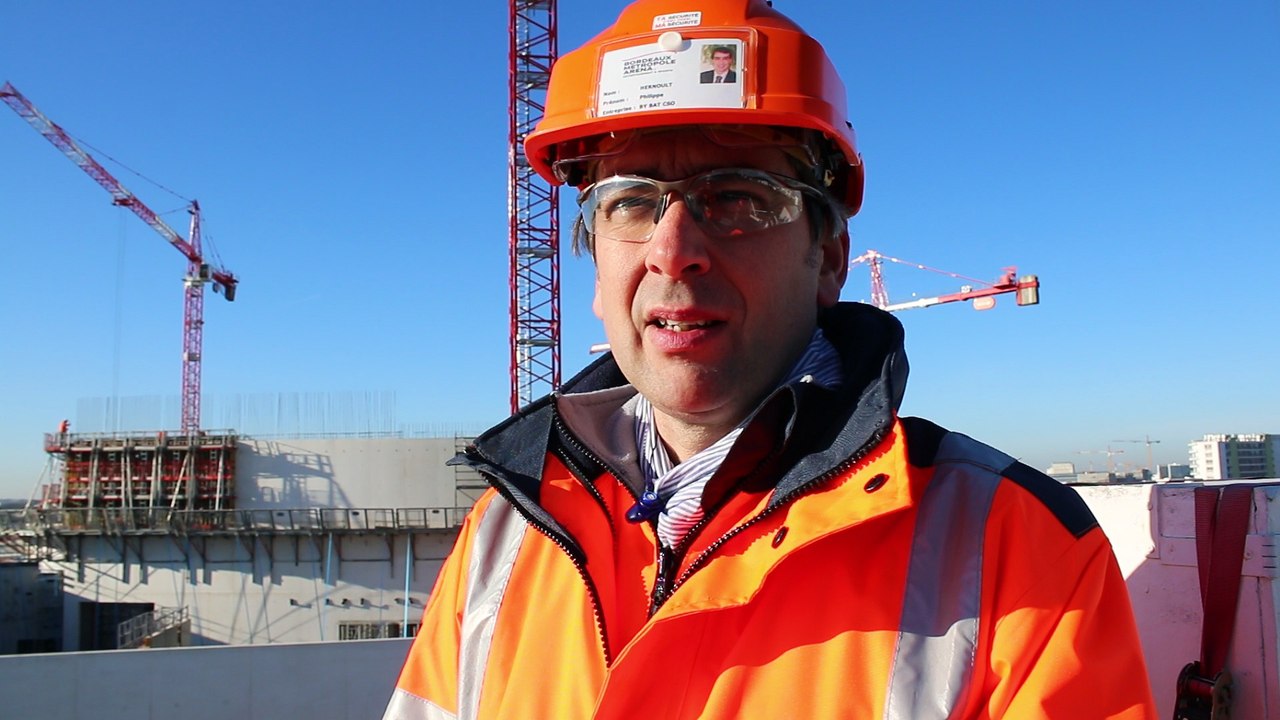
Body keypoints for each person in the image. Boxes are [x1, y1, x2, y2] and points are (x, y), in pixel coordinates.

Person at [384, 1, 1157, 718]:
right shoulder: (505, 533)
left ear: (828, 257)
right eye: (629, 202)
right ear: (594, 267)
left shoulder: (1015, 552)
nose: (672, 252)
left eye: (737, 198)